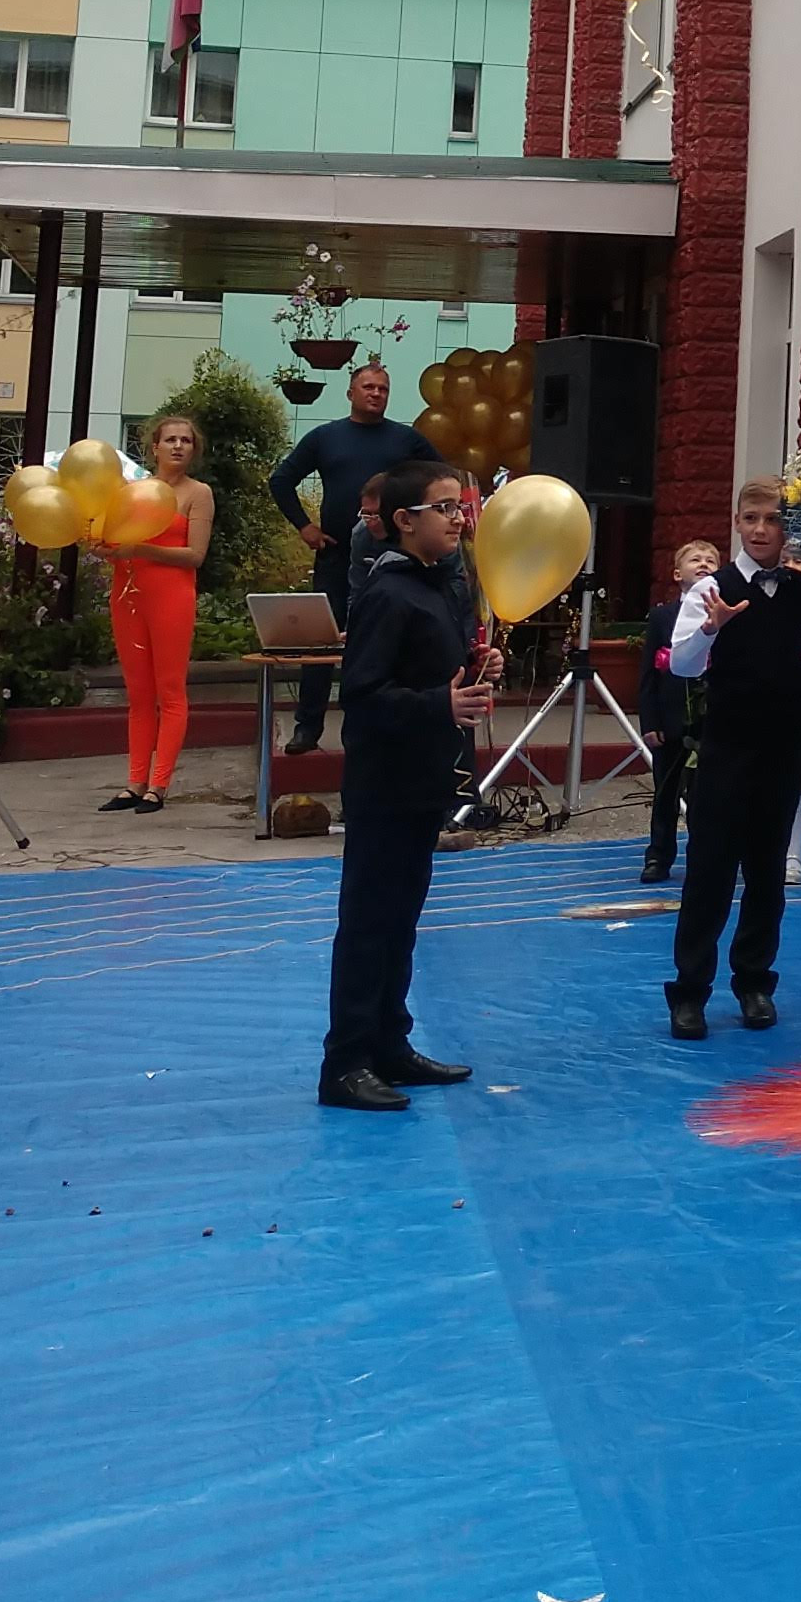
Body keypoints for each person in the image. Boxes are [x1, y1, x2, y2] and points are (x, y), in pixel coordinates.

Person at [317, 456, 498, 1110]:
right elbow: (363, 698)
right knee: (368, 923)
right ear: (403, 520)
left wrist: (476, 666)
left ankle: (390, 1043)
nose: (458, 518)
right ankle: (345, 1063)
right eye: (444, 508)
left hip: (423, 783)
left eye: (460, 507)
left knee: (400, 922)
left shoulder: (438, 585)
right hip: (383, 785)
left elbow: (432, 672)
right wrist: (438, 707)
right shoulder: (386, 592)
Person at [665, 480, 801, 1038]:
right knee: (708, 873)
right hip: (727, 748)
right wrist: (710, 629)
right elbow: (682, 666)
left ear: (788, 527)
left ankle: (755, 981)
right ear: (736, 522)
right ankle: (689, 991)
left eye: (773, 519)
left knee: (767, 875)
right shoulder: (711, 588)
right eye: (751, 518)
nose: (761, 529)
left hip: (782, 747)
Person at [270, 361, 441, 755]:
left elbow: (441, 477)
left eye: (382, 389)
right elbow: (281, 481)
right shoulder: (325, 438)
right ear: (350, 393)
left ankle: (374, 725)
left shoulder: (406, 440)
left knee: (387, 642)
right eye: (368, 387)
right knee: (321, 642)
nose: (376, 394)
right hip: (335, 555)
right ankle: (307, 728)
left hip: (395, 558)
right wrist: (304, 526)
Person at [99, 411, 215, 815]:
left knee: (169, 690)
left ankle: (159, 784)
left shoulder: (197, 493)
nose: (178, 446)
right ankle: (134, 781)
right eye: (171, 440)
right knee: (138, 693)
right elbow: (114, 540)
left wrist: (143, 551)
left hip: (172, 596)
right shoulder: (134, 491)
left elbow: (194, 556)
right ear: (155, 447)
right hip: (129, 594)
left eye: (186, 440)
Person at [638, 536, 717, 886]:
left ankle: (704, 857)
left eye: (711, 560)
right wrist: (650, 720)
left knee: (706, 794)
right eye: (694, 559)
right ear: (676, 573)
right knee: (666, 792)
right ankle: (658, 856)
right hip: (670, 719)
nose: (703, 564)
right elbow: (647, 675)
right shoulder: (662, 617)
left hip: (708, 719)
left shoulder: (723, 612)